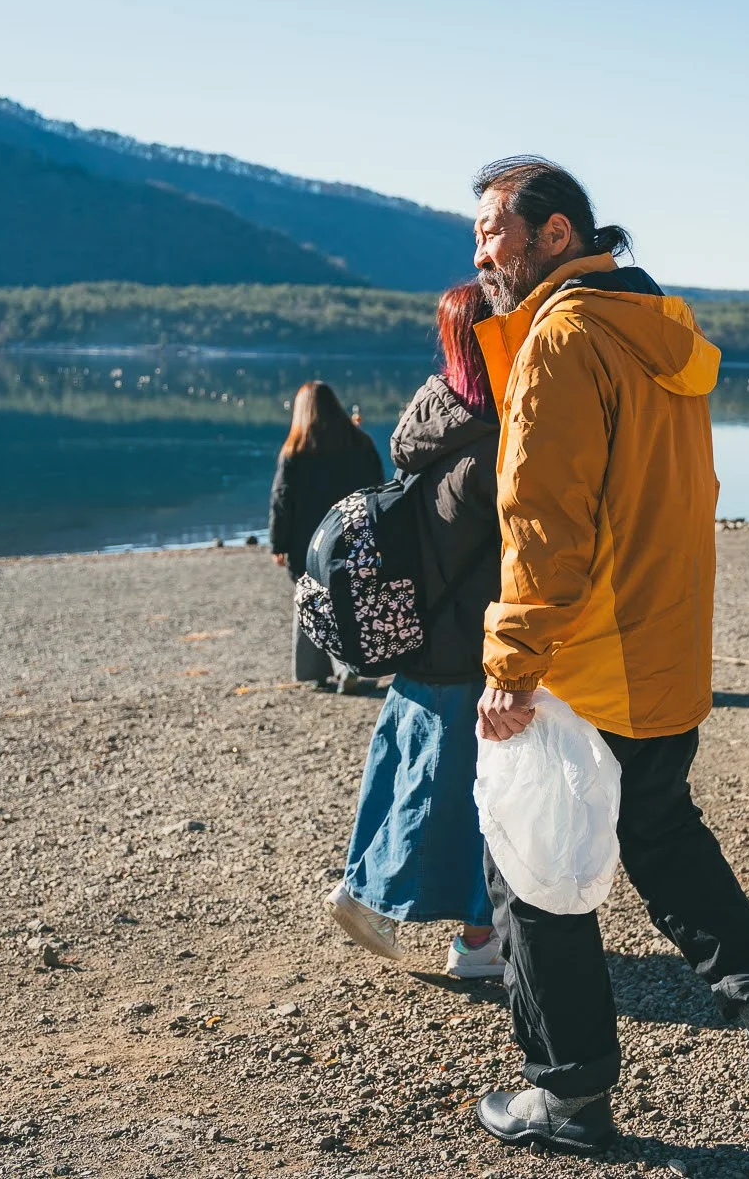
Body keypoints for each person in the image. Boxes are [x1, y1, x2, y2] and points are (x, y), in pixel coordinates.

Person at [464, 157, 749, 1155]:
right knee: (657, 828)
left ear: (556, 234)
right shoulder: (658, 330)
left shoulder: (563, 338)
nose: (481, 252)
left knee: (533, 874)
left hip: (586, 659)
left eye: (493, 231)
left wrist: (510, 667)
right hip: (663, 645)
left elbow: (544, 525)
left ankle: (569, 1096)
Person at [323, 284, 505, 979]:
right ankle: (464, 932)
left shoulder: (432, 425)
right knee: (473, 793)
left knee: (405, 766)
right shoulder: (494, 445)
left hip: (419, 636)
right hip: (468, 645)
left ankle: (366, 887)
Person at [268, 380, 382, 690]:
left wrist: (278, 544)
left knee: (310, 601)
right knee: (350, 602)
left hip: (307, 543)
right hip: (352, 536)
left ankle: (316, 671)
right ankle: (351, 666)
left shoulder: (295, 451)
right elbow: (377, 489)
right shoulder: (361, 444)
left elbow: (282, 501)